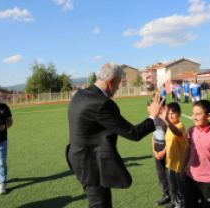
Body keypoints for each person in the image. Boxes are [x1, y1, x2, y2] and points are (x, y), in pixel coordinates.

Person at [66, 63, 164, 207]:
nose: (118, 88)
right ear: (110, 81)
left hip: (80, 158)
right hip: (91, 164)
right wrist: (153, 117)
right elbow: (133, 133)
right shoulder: (102, 103)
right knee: (100, 204)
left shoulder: (81, 94)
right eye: (118, 83)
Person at [180, 100, 210, 208]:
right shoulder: (191, 130)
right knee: (189, 204)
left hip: (208, 179)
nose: (194, 117)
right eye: (193, 113)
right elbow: (188, 149)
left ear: (209, 116)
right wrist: (182, 167)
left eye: (198, 114)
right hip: (191, 176)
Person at [160, 102, 187, 208]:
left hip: (180, 165)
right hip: (171, 164)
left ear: (179, 114)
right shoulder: (169, 127)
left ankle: (181, 204)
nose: (170, 116)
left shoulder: (180, 126)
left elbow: (177, 132)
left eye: (173, 113)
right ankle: (175, 202)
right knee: (173, 187)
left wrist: (167, 121)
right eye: (169, 113)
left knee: (181, 189)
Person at [152, 98, 171, 206]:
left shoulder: (167, 120)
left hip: (167, 153)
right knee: (161, 174)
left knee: (170, 175)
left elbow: (170, 139)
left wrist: (164, 151)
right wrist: (154, 150)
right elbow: (153, 136)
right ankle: (166, 195)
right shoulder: (154, 119)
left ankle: (175, 197)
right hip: (157, 153)